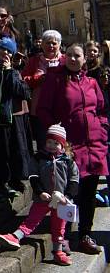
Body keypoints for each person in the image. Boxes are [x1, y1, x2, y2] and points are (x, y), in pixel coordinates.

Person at [37, 43, 108, 254]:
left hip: (94, 146)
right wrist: (57, 135)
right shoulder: (55, 79)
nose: (72, 59)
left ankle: (85, 234)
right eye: (68, 55)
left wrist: (102, 130)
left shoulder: (92, 82)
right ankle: (64, 235)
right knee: (69, 193)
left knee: (88, 193)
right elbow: (43, 110)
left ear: (84, 59)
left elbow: (102, 110)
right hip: (69, 147)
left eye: (77, 56)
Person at [0, 124, 79, 266]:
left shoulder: (68, 161)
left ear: (63, 145)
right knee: (32, 219)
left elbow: (74, 181)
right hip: (43, 199)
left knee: (59, 226)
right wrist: (40, 192)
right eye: (49, 142)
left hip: (61, 201)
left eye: (56, 143)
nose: (52, 146)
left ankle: (58, 251)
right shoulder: (39, 158)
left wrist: (68, 197)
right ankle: (15, 237)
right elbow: (34, 177)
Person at [0, 37, 31, 197]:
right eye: (2, 49)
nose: (5, 53)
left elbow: (21, 92)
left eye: (8, 51)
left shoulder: (13, 71)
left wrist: (9, 70)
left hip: (6, 117)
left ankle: (6, 182)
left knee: (6, 152)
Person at [21, 29, 65, 150]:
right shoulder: (34, 60)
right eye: (48, 43)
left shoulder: (65, 61)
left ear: (59, 45)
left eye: (54, 43)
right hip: (39, 108)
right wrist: (37, 79)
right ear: (42, 44)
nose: (51, 46)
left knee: (61, 143)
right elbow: (23, 79)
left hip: (60, 108)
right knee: (43, 142)